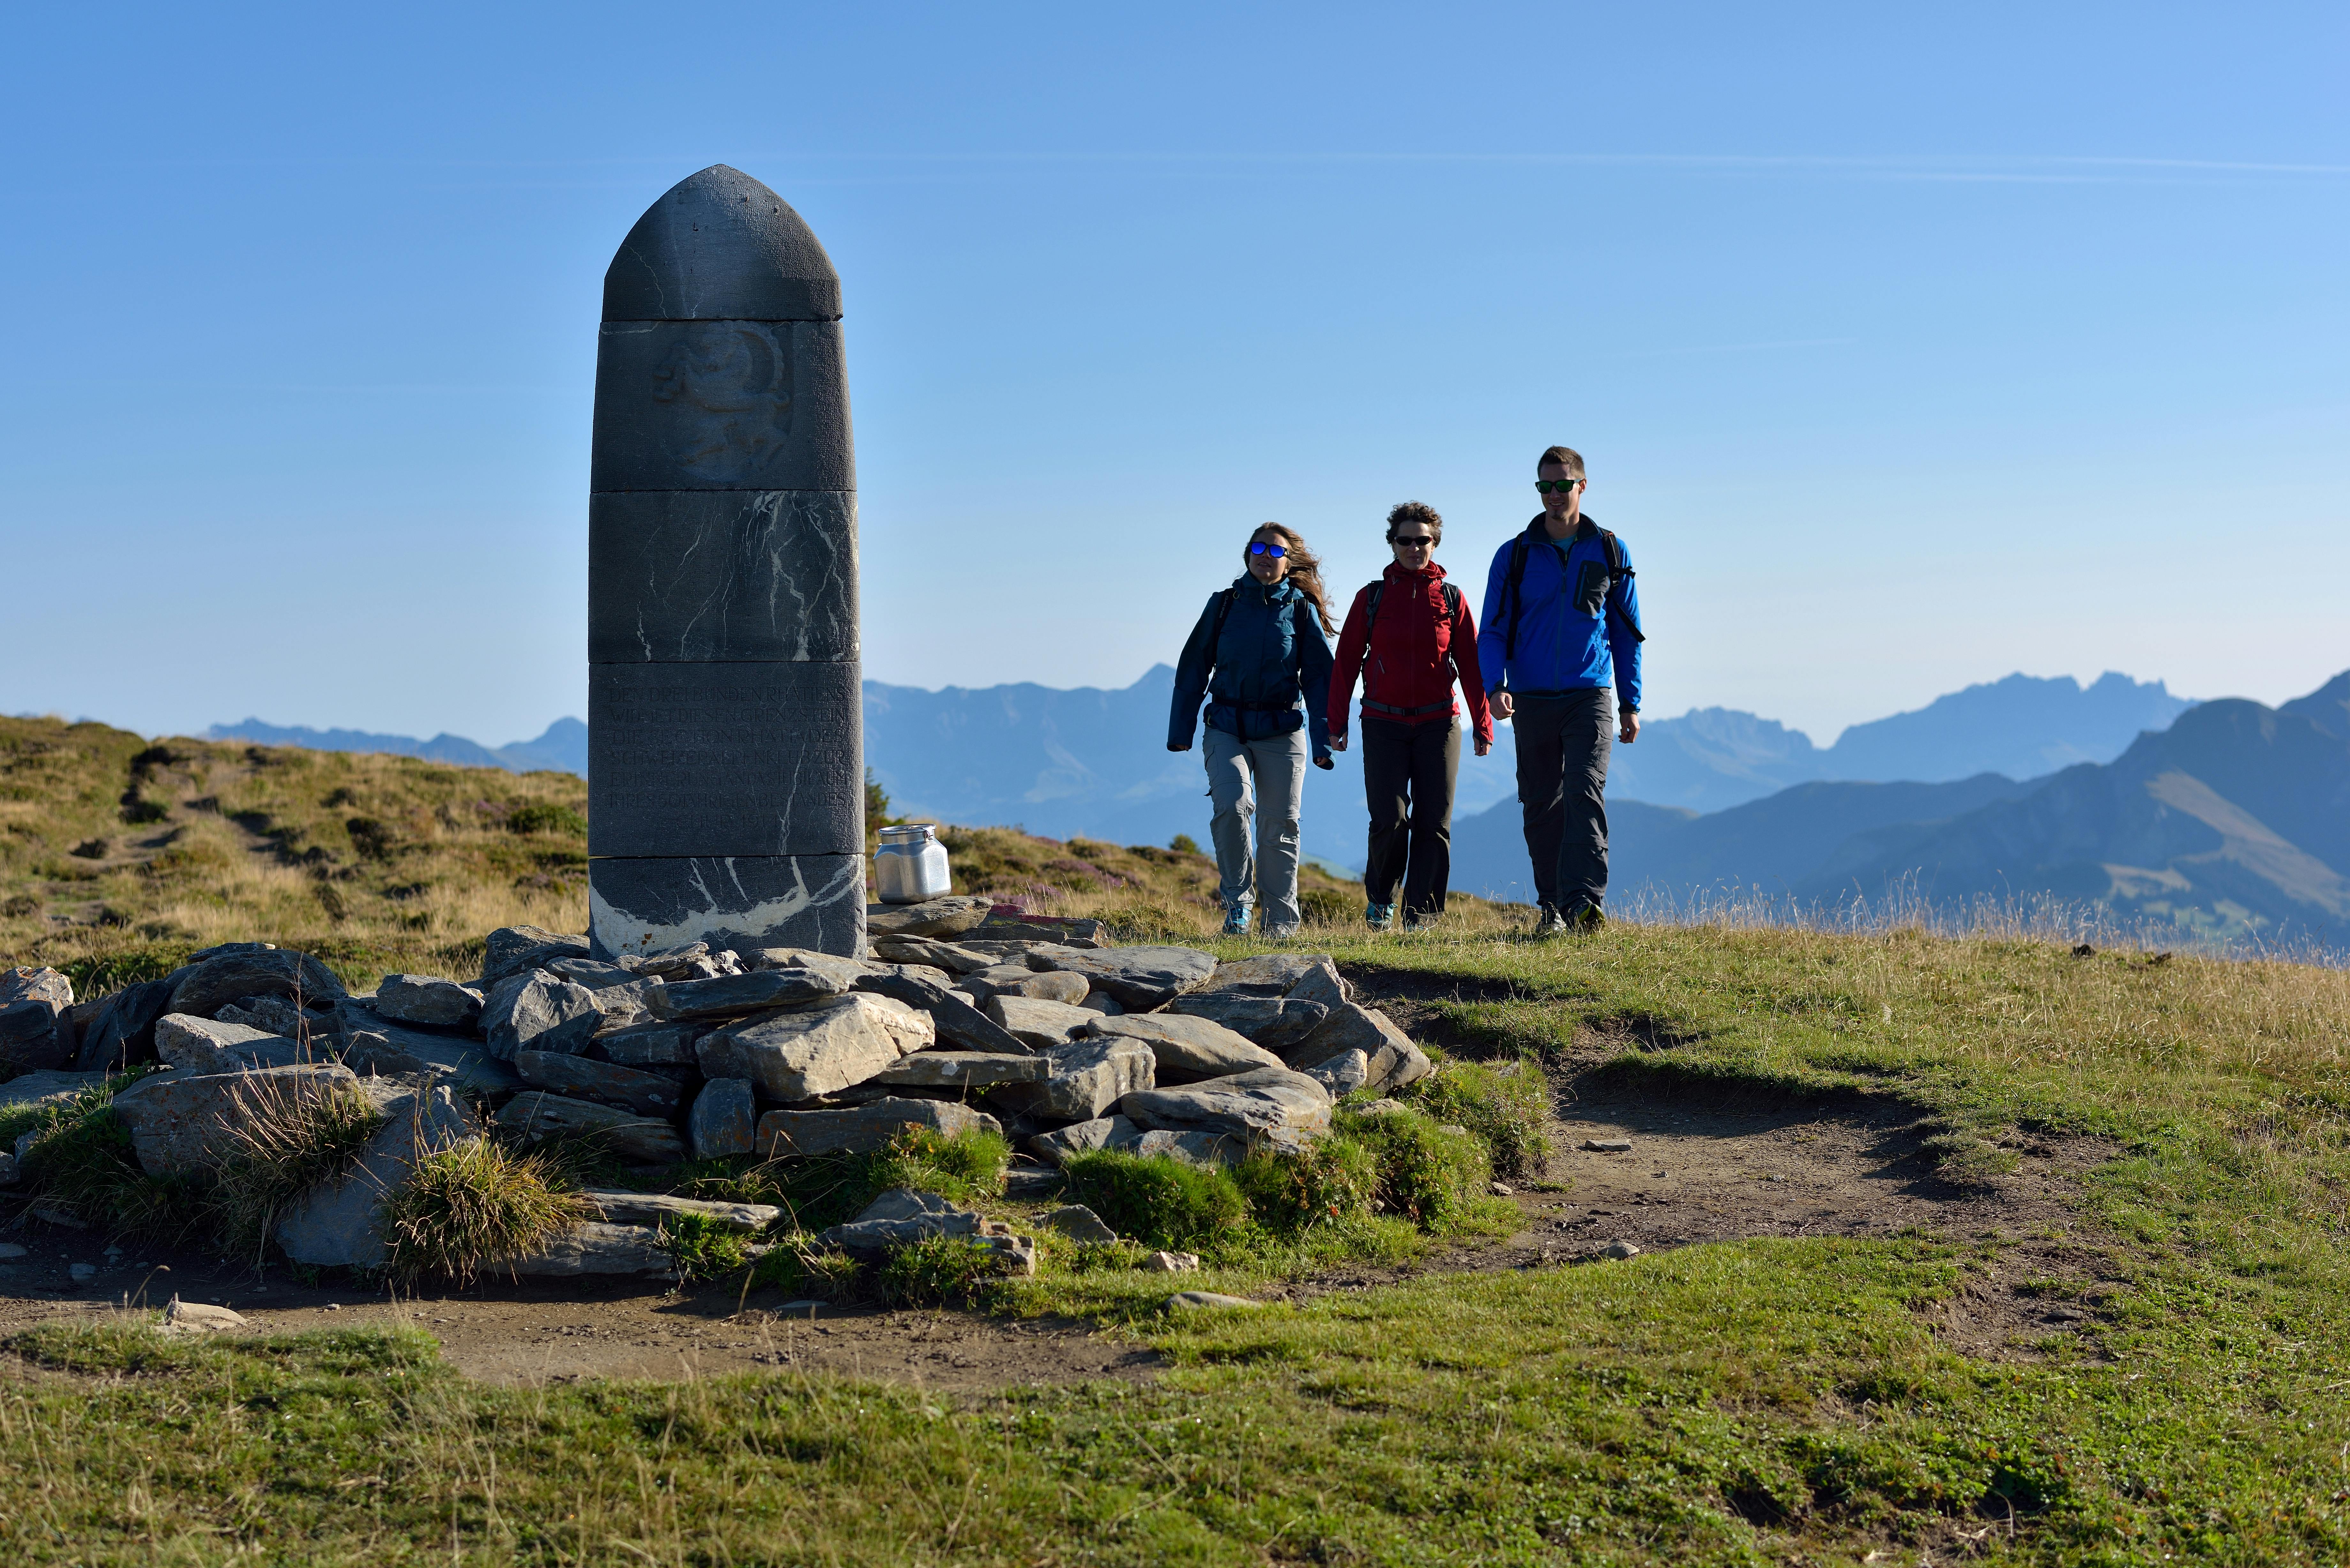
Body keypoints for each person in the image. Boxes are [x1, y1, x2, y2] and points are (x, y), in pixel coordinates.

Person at [1476, 446, 1644, 934]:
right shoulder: (1515, 554)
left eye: (1562, 485)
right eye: (1544, 487)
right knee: (1540, 801)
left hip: (1590, 694)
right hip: (1530, 697)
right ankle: (1551, 907)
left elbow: (1626, 631)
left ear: (1582, 487)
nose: (1554, 495)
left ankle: (1585, 905)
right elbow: (1493, 629)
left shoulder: (1611, 550)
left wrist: (1632, 701)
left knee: (1584, 792)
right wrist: (1494, 688)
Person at [1327, 501, 1493, 931]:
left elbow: (1472, 665)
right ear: (1393, 544)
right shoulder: (1373, 597)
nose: (1415, 548)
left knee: (1434, 823)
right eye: (1406, 540)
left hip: (1439, 723)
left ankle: (1422, 917)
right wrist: (1337, 721)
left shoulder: (1452, 598)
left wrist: (1483, 722)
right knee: (1390, 819)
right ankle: (1382, 899)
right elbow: (1345, 661)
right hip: (1383, 723)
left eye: (1423, 540)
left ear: (1435, 543)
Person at [1168, 523, 1338, 938]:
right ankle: (1238, 906)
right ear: (1247, 555)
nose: (1266, 555)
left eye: (1276, 550)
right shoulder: (1224, 605)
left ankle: (1280, 921)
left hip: (1283, 729)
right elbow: (1194, 665)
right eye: (1259, 548)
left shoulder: (1300, 609)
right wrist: (1181, 730)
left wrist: (1324, 740)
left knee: (1280, 824)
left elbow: (1320, 677)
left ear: (1288, 561)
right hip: (1227, 726)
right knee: (1232, 804)